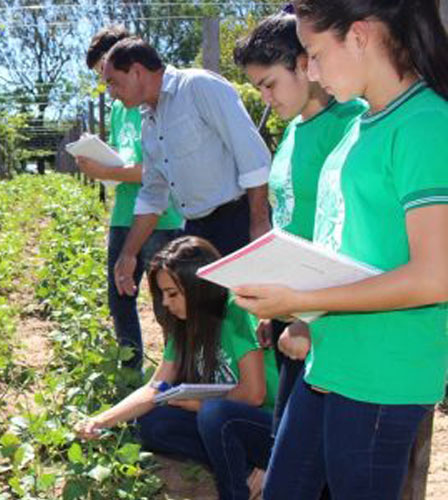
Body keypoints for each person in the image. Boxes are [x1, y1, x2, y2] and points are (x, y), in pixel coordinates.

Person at [234, 0, 448, 497]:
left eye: (313, 53)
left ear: (360, 36)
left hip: (381, 373)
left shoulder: (425, 126)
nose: (309, 69)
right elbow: (351, 251)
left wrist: (303, 304)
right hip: (332, 359)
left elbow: (434, 276)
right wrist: (307, 319)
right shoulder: (360, 126)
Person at [232, 12, 367, 435]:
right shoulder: (292, 131)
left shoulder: (353, 122)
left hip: (331, 318)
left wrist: (309, 319)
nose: (266, 98)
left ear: (305, 63)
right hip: (293, 311)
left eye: (269, 83)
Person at [74, 236, 279, 500]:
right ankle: (249, 470)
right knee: (152, 423)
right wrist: (100, 421)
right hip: (223, 421)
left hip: (268, 426)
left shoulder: (235, 312)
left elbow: (254, 394)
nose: (166, 303)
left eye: (172, 293)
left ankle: (242, 486)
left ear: (198, 288)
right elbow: (154, 388)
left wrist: (197, 405)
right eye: (162, 295)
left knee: (214, 413)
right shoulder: (185, 324)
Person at [102, 37, 272, 299]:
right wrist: (128, 254)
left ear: (136, 71)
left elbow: (252, 156)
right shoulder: (149, 123)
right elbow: (152, 194)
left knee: (249, 310)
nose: (111, 92)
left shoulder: (197, 87)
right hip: (194, 228)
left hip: (237, 221)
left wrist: (258, 225)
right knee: (204, 316)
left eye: (113, 82)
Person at [78, 25, 184, 372]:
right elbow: (127, 160)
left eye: (109, 76)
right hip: (124, 212)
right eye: (101, 78)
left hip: (161, 217)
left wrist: (106, 171)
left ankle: (179, 373)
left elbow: (153, 170)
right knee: (120, 298)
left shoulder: (150, 103)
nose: (107, 87)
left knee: (168, 303)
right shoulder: (121, 108)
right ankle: (130, 374)